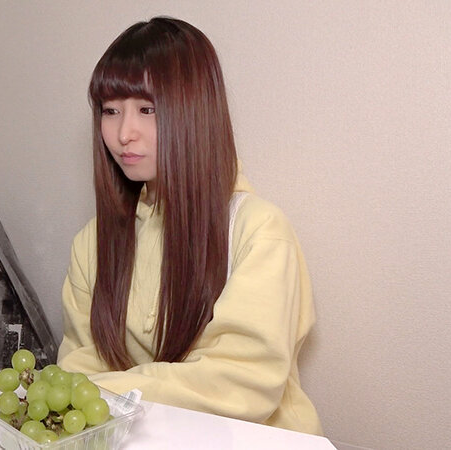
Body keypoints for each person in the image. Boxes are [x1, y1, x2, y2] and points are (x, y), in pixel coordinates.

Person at [56, 16, 322, 435]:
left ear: (194, 112)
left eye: (147, 109)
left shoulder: (258, 232)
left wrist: (103, 391)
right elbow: (79, 364)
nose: (124, 133)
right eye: (110, 111)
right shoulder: (92, 243)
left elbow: (241, 382)